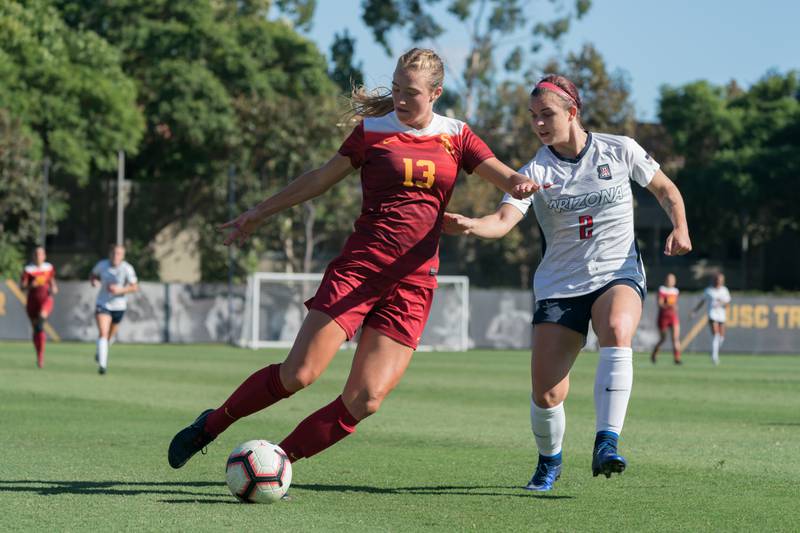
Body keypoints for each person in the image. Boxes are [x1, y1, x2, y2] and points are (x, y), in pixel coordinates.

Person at [167, 48, 534, 471]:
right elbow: (320, 179)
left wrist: (520, 183)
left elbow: (503, 175)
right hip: (360, 270)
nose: (399, 99)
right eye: (395, 88)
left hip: (414, 283)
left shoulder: (457, 134)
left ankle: (276, 464)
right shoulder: (373, 131)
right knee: (299, 374)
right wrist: (257, 214)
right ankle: (211, 424)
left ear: (436, 92)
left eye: (410, 93)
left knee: (366, 399)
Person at [442, 75, 692, 491]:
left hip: (617, 272)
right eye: (533, 117)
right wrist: (470, 225)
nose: (539, 124)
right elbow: (503, 222)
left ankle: (606, 442)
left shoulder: (621, 149)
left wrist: (680, 227)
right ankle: (549, 461)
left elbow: (666, 189)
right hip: (559, 285)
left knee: (617, 329)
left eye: (547, 115)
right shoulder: (534, 171)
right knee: (547, 394)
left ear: (572, 112)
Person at [90, 245, 139, 374]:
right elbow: (93, 275)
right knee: (103, 333)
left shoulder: (127, 268)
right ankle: (102, 366)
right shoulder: (102, 265)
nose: (115, 256)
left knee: (110, 337)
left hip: (119, 306)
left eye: (119, 254)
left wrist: (120, 290)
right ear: (109, 254)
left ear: (123, 256)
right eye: (113, 253)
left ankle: (99, 352)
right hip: (103, 304)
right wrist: (94, 281)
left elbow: (134, 287)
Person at [20, 246, 58, 368]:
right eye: (36, 254)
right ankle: (39, 356)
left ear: (44, 256)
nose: (38, 256)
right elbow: (22, 287)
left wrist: (54, 288)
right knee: (37, 330)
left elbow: (52, 282)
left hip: (45, 300)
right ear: (33, 256)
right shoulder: (28, 269)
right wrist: (31, 285)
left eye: (41, 254)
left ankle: (40, 356)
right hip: (32, 302)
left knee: (41, 321)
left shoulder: (49, 268)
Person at [691, 272, 730, 366]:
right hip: (712, 314)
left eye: (720, 280)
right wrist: (695, 311)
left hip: (721, 315)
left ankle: (714, 351)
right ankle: (714, 357)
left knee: (721, 338)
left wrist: (722, 303)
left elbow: (727, 302)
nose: (718, 281)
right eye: (717, 279)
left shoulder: (724, 290)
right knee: (715, 335)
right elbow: (702, 301)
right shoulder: (709, 290)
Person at [650, 273, 682, 364]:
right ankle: (654, 354)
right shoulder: (662, 289)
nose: (671, 281)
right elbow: (660, 304)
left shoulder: (675, 291)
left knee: (675, 338)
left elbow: (675, 305)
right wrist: (670, 305)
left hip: (673, 316)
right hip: (663, 317)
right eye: (669, 279)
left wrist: (674, 307)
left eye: (672, 280)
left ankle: (677, 358)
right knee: (663, 339)